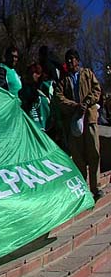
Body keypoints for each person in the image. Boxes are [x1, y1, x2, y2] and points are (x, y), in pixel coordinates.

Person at [55, 49, 103, 200]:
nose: (70, 62)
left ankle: (96, 187)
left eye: (72, 59)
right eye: (67, 60)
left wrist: (87, 102)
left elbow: (97, 90)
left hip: (89, 119)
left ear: (77, 60)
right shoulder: (63, 81)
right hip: (74, 122)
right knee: (78, 157)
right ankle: (83, 189)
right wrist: (74, 106)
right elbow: (58, 97)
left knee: (94, 153)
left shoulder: (87, 74)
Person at [19, 63, 53, 131]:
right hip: (30, 128)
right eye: (31, 73)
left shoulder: (47, 87)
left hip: (46, 127)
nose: (33, 75)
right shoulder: (24, 91)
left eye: (37, 73)